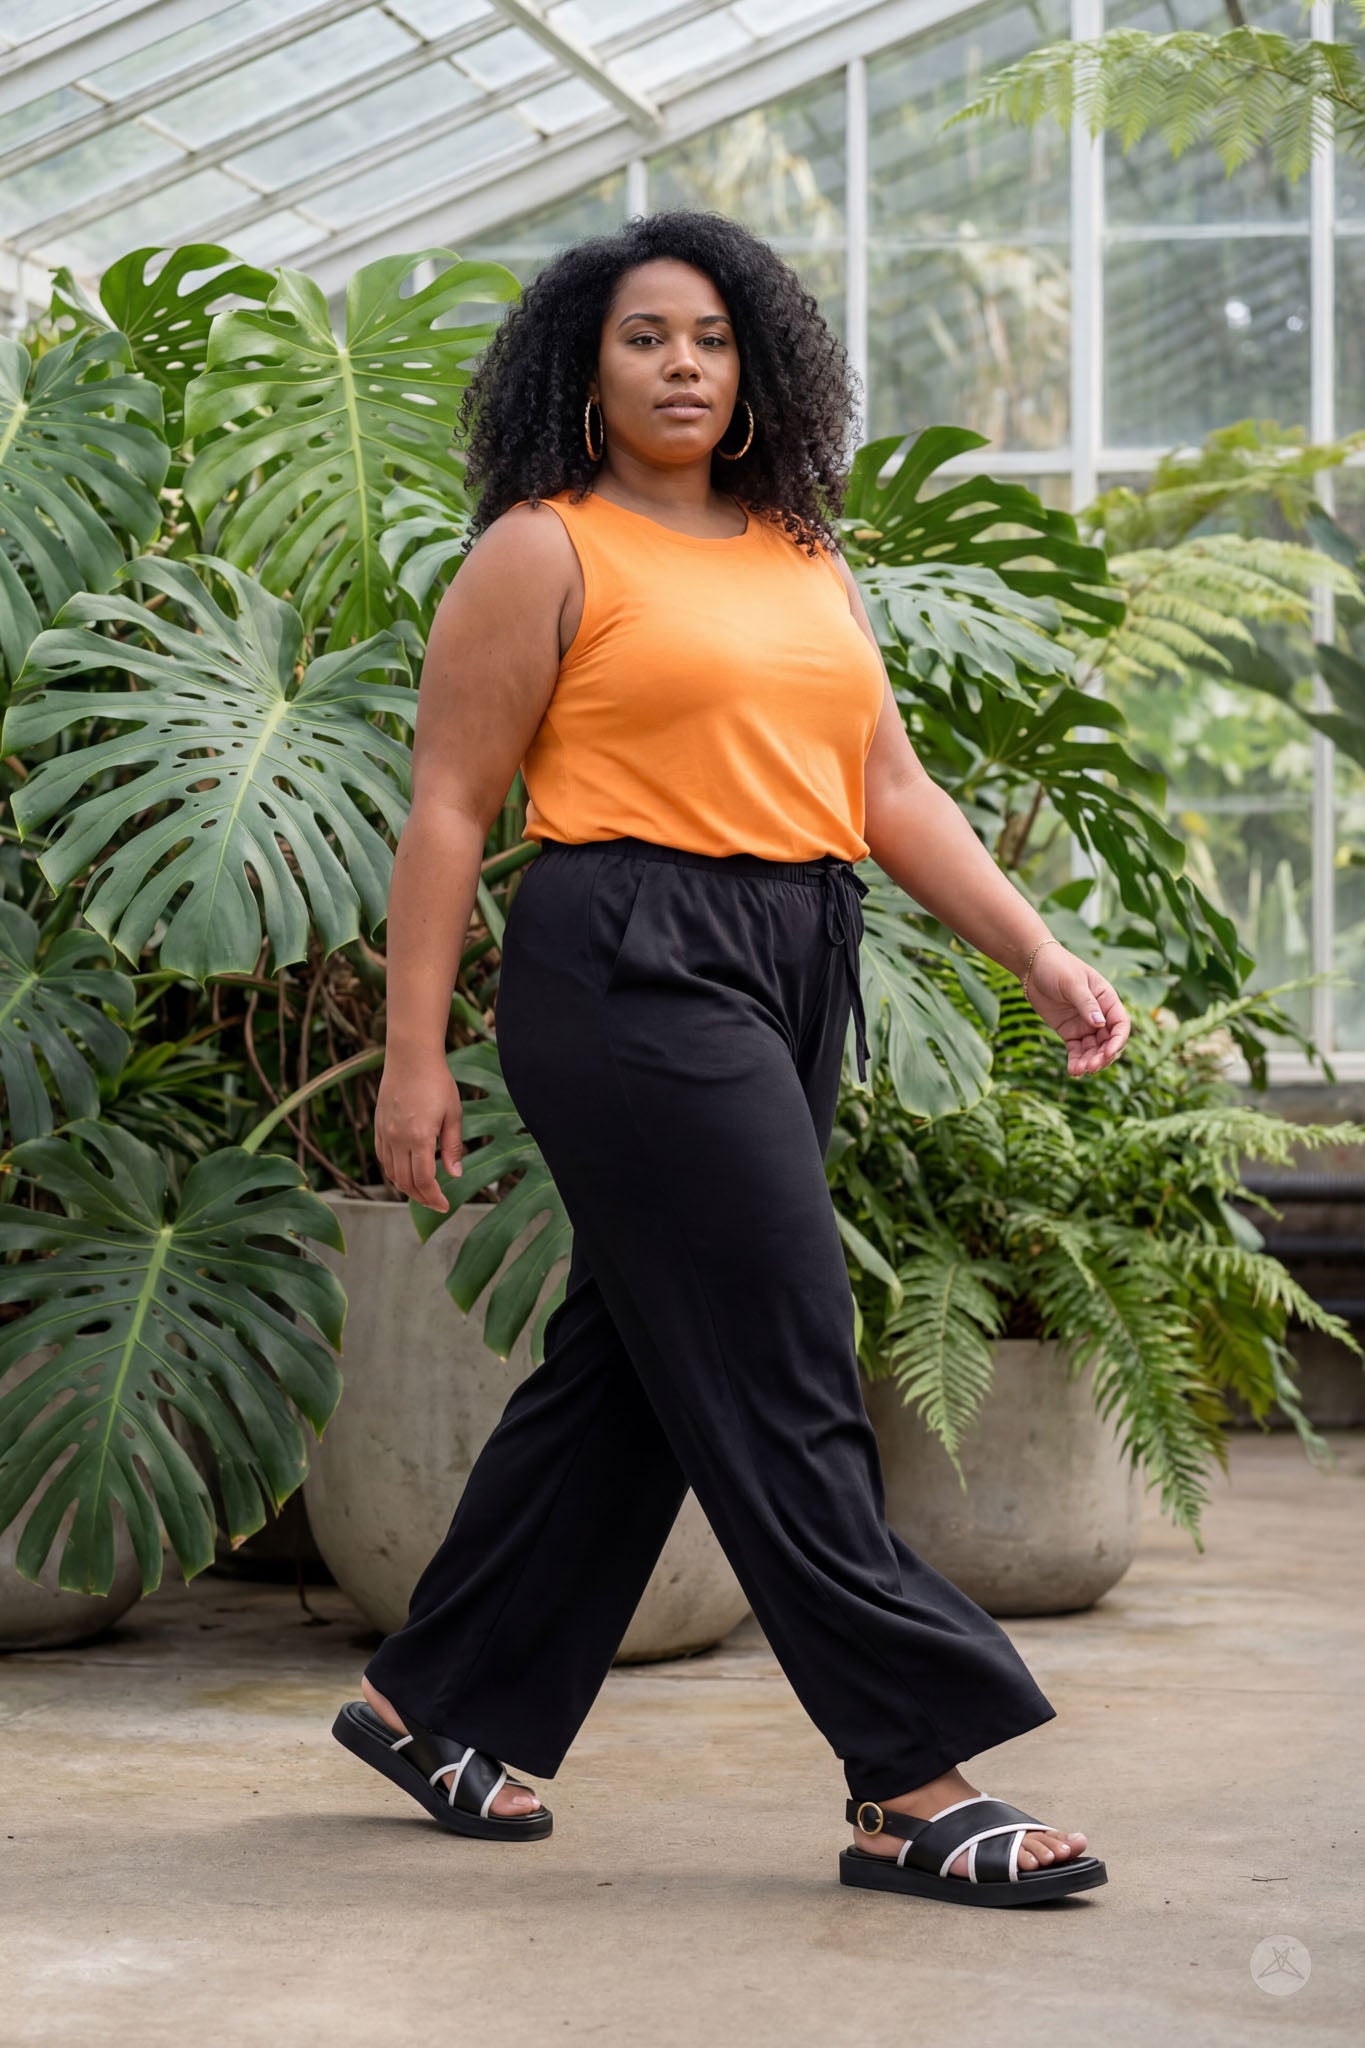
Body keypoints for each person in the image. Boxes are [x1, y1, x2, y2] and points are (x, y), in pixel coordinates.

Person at [331, 210, 1128, 1907]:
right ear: (585, 364)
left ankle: (435, 1702)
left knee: (635, 1366)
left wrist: (1039, 954)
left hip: (793, 952)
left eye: (708, 336)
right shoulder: (543, 552)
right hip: (626, 960)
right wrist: (416, 1061)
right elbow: (450, 810)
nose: (681, 364)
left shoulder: (801, 556)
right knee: (780, 1347)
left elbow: (889, 790)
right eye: (643, 337)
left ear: (755, 362)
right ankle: (908, 1776)